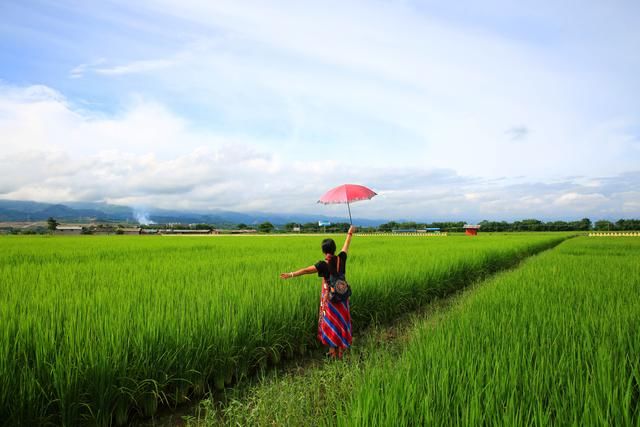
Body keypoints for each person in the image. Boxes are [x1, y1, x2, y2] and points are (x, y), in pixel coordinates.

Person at [280, 225, 356, 359]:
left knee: (331, 323)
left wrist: (291, 274)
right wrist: (349, 233)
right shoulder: (341, 258)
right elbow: (346, 246)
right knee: (342, 322)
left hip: (331, 298)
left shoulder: (322, 264)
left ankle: (332, 352)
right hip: (343, 297)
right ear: (334, 249)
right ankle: (341, 352)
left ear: (323, 251)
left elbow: (305, 270)